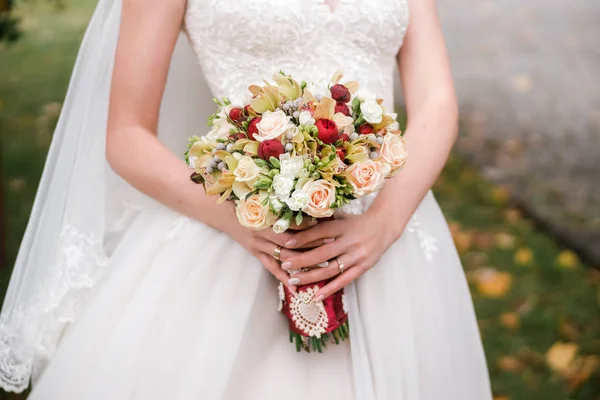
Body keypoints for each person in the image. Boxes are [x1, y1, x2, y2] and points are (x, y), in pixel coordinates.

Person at [0, 0, 493, 398]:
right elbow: (126, 134)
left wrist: (384, 223)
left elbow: (436, 102)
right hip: (236, 234)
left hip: (392, 236)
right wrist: (240, 221)